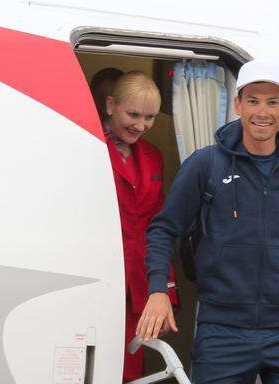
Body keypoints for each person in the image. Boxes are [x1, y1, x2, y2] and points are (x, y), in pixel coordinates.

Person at [137, 60, 279, 383]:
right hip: (223, 331)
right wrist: (158, 289)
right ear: (237, 105)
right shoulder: (206, 163)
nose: (263, 111)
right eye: (253, 100)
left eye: (273, 102)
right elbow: (165, 230)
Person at [91, 70, 180, 383]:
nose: (141, 126)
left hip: (139, 287)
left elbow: (159, 228)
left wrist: (165, 292)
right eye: (133, 114)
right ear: (110, 105)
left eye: (150, 117)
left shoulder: (153, 156)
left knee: (130, 372)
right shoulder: (87, 146)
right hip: (96, 278)